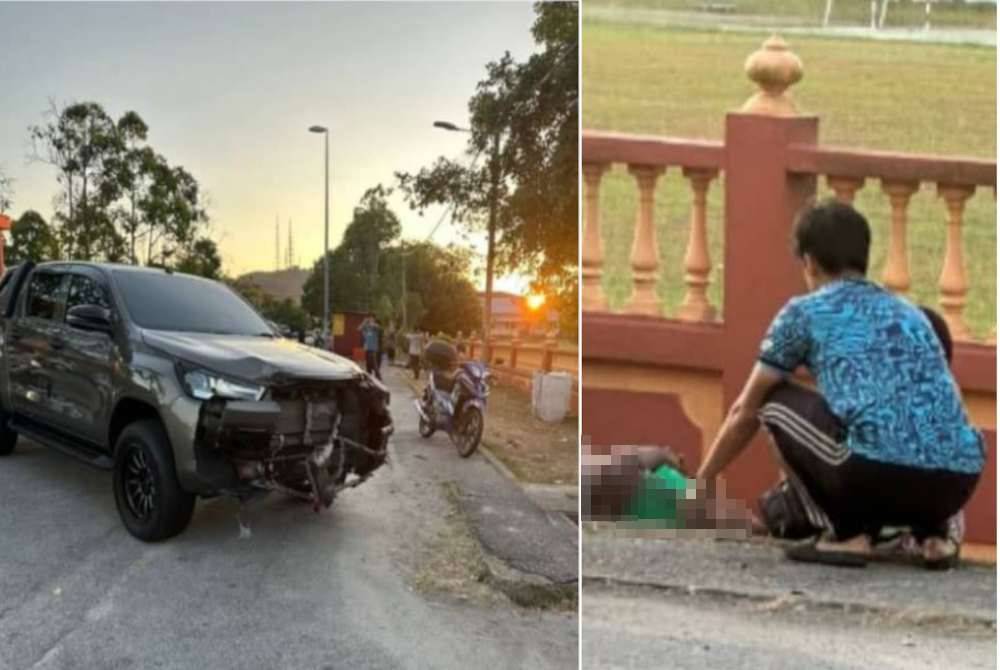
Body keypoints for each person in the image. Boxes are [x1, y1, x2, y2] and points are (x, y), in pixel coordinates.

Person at [695, 200, 984, 570]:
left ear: (809, 262)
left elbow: (745, 410)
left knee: (774, 401)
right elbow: (950, 408)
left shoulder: (804, 312)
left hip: (875, 473)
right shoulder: (915, 315)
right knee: (921, 429)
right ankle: (936, 538)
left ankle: (847, 534)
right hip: (959, 480)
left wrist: (699, 485)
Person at [358, 314, 381, 380]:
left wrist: (371, 322)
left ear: (374, 319)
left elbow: (377, 327)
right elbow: (359, 329)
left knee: (374, 364)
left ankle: (379, 378)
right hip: (367, 348)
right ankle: (369, 378)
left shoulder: (375, 327)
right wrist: (364, 322)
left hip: (373, 349)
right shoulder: (366, 328)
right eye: (369, 318)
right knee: (368, 364)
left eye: (372, 318)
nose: (370, 319)